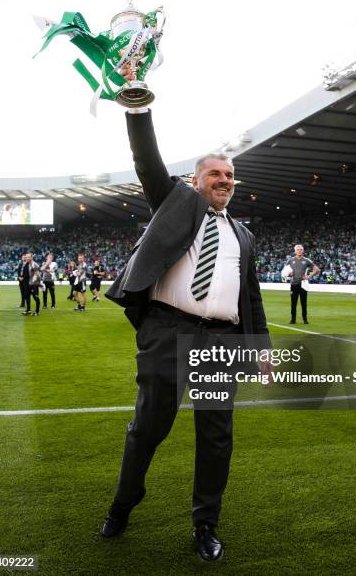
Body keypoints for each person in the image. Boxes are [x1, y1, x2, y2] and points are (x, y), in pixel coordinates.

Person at [102, 108, 272, 563]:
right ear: (196, 181)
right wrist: (137, 107)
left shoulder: (244, 236)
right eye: (215, 173)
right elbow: (147, 160)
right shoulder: (174, 202)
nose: (224, 179)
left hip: (221, 342)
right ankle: (123, 503)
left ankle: (205, 523)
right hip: (169, 331)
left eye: (230, 174)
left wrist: (262, 348)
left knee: (216, 435)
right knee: (149, 428)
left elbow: (250, 297)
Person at [285, 245, 319, 324]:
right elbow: (285, 272)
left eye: (301, 249)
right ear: (295, 251)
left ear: (303, 251)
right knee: (293, 303)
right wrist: (289, 274)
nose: (299, 251)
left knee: (304, 303)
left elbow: (316, 269)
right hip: (294, 284)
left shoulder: (306, 260)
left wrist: (309, 276)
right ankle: (293, 319)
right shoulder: (290, 260)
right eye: (298, 249)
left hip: (303, 284)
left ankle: (305, 319)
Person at [21, 252, 41, 317]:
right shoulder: (26, 264)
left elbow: (37, 274)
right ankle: (28, 310)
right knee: (27, 296)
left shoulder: (35, 265)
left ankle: (37, 311)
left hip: (34, 284)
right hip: (27, 284)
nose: (27, 258)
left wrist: (33, 282)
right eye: (26, 257)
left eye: (28, 257)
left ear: (32, 257)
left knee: (36, 297)